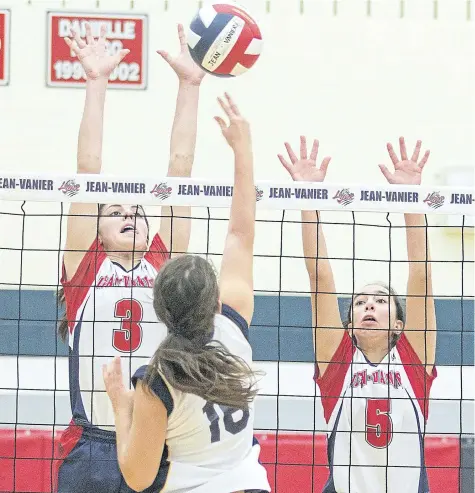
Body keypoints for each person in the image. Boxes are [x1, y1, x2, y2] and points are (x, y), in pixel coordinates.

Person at [54, 22, 206, 492]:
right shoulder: (85, 268)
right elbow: (87, 169)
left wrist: (189, 85)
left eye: (137, 210)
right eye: (114, 211)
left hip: (157, 442)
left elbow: (179, 169)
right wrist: (96, 83)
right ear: (96, 230)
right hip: (95, 445)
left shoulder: (166, 265)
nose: (129, 215)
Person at [103, 93, 271, 493]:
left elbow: (138, 477)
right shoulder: (232, 326)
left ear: (160, 311)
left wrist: (121, 406)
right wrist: (243, 150)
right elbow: (241, 233)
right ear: (215, 301)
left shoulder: (159, 378)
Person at [279, 136, 437, 493]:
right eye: (360, 302)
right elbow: (320, 276)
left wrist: (412, 200)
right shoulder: (337, 363)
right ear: (347, 325)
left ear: (399, 324)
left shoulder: (414, 361)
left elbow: (422, 276)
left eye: (380, 301)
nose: (368, 305)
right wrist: (308, 198)